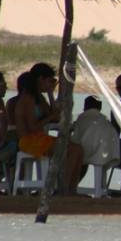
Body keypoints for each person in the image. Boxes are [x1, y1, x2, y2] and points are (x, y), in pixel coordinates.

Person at [14, 62, 83, 195]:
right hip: (28, 141)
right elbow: (32, 127)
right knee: (72, 150)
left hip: (40, 138)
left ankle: (71, 189)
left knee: (78, 149)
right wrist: (49, 117)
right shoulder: (27, 99)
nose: (51, 84)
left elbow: (55, 116)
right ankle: (63, 189)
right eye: (50, 81)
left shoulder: (39, 98)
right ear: (41, 79)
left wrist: (51, 94)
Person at [71, 95, 120, 170]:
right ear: (100, 108)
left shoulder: (83, 118)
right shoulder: (104, 120)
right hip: (107, 154)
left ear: (85, 107)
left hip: (87, 153)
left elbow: (76, 137)